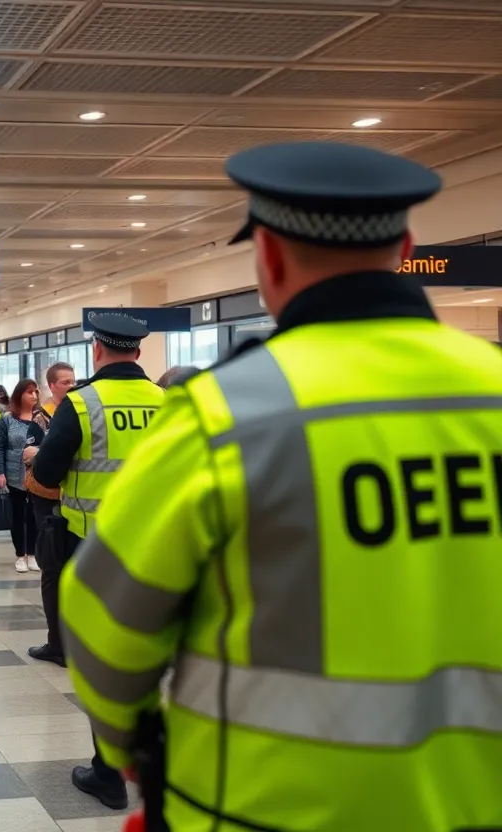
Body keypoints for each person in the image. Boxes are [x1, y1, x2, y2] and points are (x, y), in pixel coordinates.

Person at [61, 142, 502, 832]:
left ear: (267, 256)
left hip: (266, 806)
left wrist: (127, 742)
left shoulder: (221, 416)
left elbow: (103, 612)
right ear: (406, 246)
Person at [26, 312, 165, 809]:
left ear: (97, 351)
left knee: (101, 660)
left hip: (94, 546)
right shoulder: (166, 402)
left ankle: (109, 773)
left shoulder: (81, 402)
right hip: (157, 545)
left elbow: (46, 469)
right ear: (139, 352)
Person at [0, 379, 44, 574]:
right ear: (19, 395)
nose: (34, 396)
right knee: (18, 514)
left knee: (34, 514)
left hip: (38, 474)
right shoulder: (7, 420)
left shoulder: (42, 419)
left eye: (36, 392)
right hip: (14, 474)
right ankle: (20, 554)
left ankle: (32, 554)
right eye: (29, 392)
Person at [34, 361, 75, 431]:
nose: (72, 386)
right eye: (66, 383)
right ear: (51, 386)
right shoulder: (41, 417)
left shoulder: (78, 410)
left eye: (73, 382)